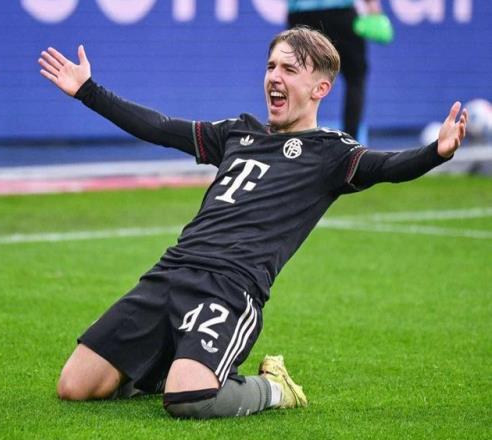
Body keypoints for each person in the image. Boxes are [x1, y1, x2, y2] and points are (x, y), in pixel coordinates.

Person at [38, 26, 467, 419]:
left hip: (228, 289)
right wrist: (89, 91)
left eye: (289, 70)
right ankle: (168, 368)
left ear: (320, 88)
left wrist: (435, 152)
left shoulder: (332, 153)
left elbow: (389, 166)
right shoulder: (237, 132)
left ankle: (275, 388)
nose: (274, 77)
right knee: (74, 387)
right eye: (271, 66)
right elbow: (160, 128)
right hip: (170, 274)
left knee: (189, 401)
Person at [288, 0, 383, 139]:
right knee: (355, 78)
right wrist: (373, 8)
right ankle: (350, 143)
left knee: (298, 78)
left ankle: (295, 139)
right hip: (340, 14)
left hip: (301, 15)